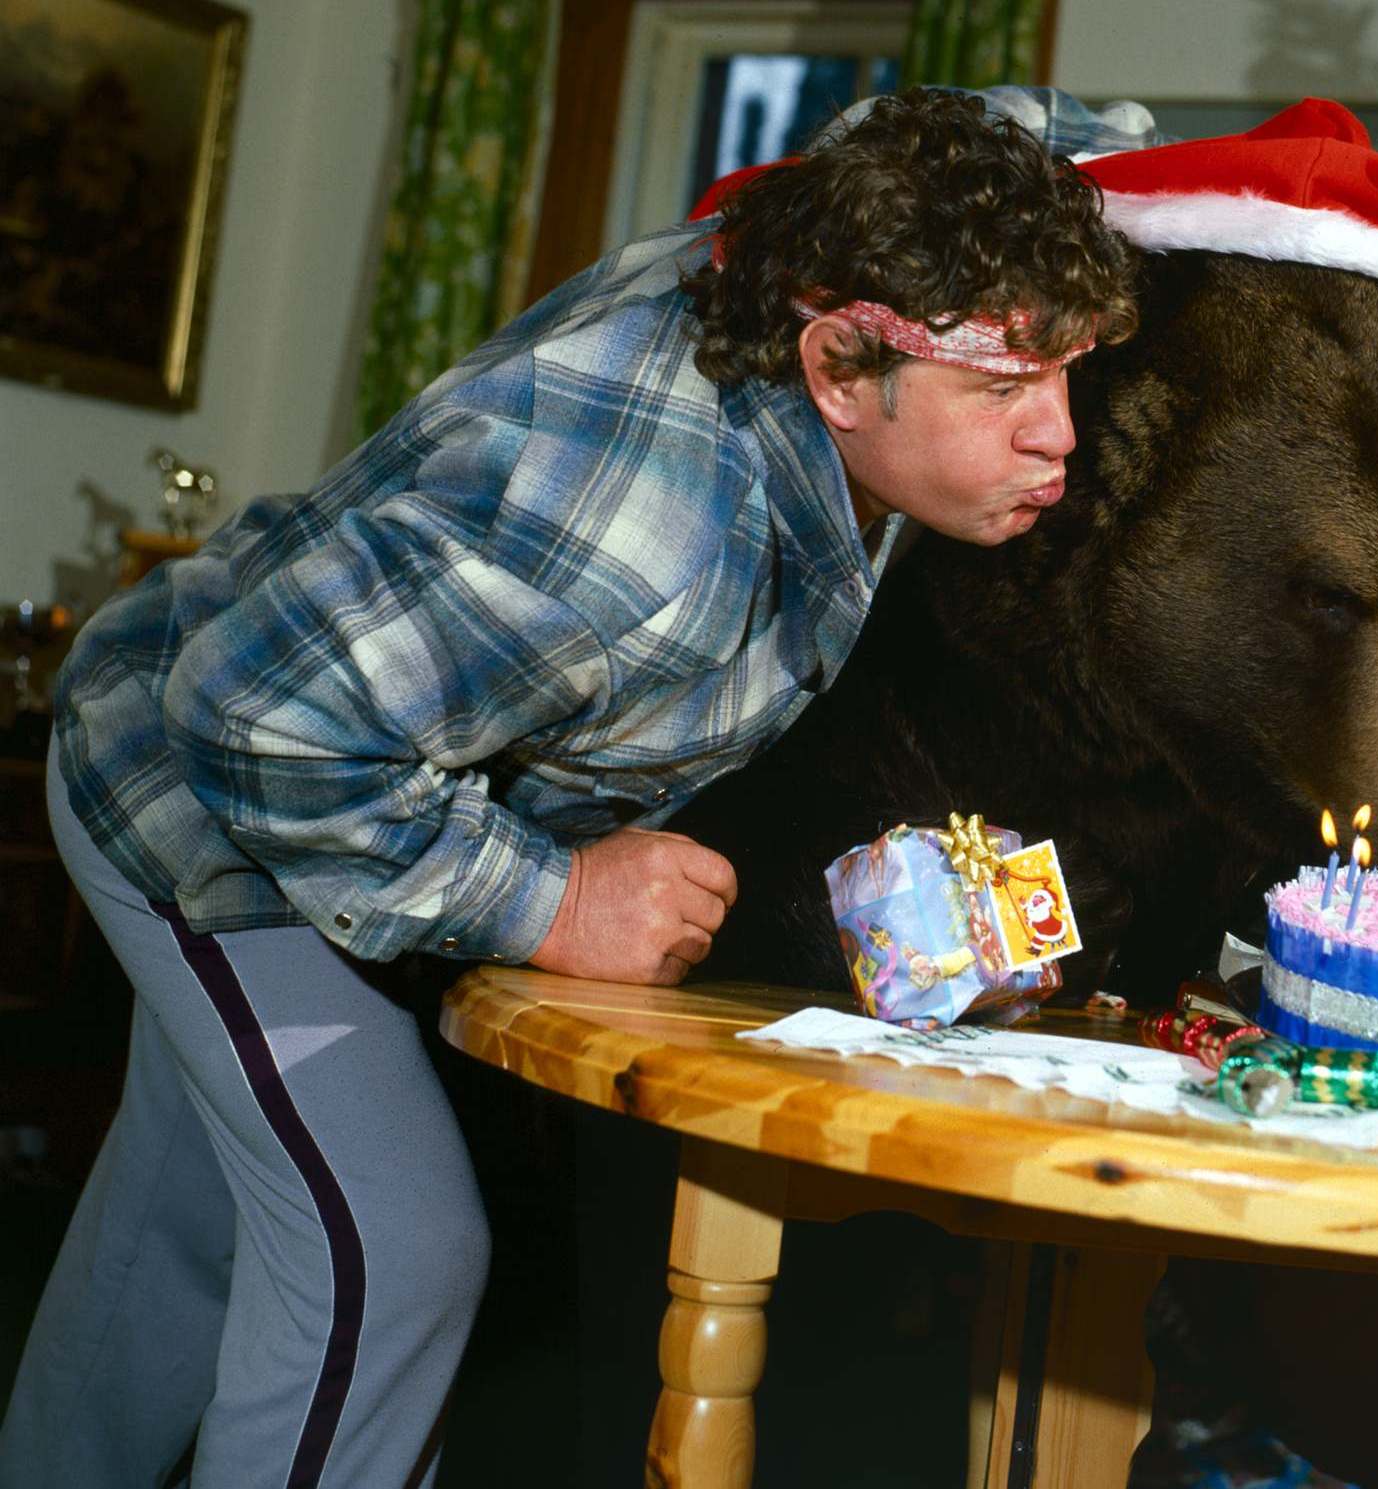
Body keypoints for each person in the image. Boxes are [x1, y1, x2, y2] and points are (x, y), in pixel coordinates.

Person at [0, 87, 1148, 1488]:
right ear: (841, 369)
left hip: (307, 754)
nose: (1059, 435)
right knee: (388, 1259)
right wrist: (549, 900)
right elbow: (257, 722)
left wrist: (1106, 137)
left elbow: (918, 130)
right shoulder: (646, 544)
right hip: (204, 793)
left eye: (1070, 373)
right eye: (1004, 388)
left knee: (185, 1233)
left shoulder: (826, 248)